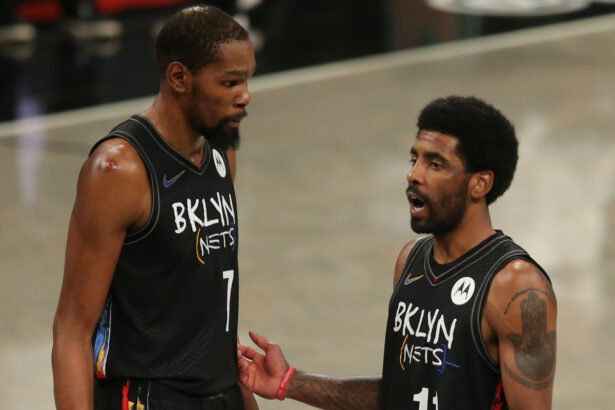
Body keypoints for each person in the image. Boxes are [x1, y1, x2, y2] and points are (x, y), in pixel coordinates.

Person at [237, 96, 557, 409]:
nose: (414, 174)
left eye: (435, 164)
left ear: (480, 184)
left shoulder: (516, 285)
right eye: (414, 160)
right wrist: (289, 381)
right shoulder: (410, 261)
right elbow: (400, 391)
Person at [52, 5, 258, 410]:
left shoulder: (221, 153)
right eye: (230, 82)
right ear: (179, 77)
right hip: (146, 397)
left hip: (219, 392)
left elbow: (208, 305)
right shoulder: (119, 170)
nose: (245, 95)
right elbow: (72, 331)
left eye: (248, 79)